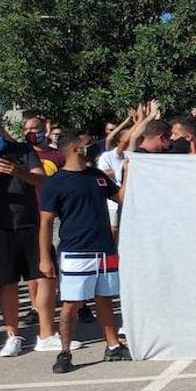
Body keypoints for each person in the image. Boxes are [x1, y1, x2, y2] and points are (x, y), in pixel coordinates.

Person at [37, 129, 131, 374]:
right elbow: (46, 222)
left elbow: (120, 196)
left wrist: (129, 172)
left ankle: (113, 346)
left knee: (105, 298)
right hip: (76, 252)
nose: (90, 146)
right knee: (71, 304)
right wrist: (45, 259)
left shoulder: (96, 175)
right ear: (74, 149)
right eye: (85, 143)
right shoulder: (56, 183)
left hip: (105, 249)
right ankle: (65, 352)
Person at [0, 112, 59, 356]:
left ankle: (47, 334)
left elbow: (43, 181)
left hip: (30, 222)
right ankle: (12, 335)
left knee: (46, 276)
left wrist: (19, 171)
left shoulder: (21, 150)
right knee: (6, 283)